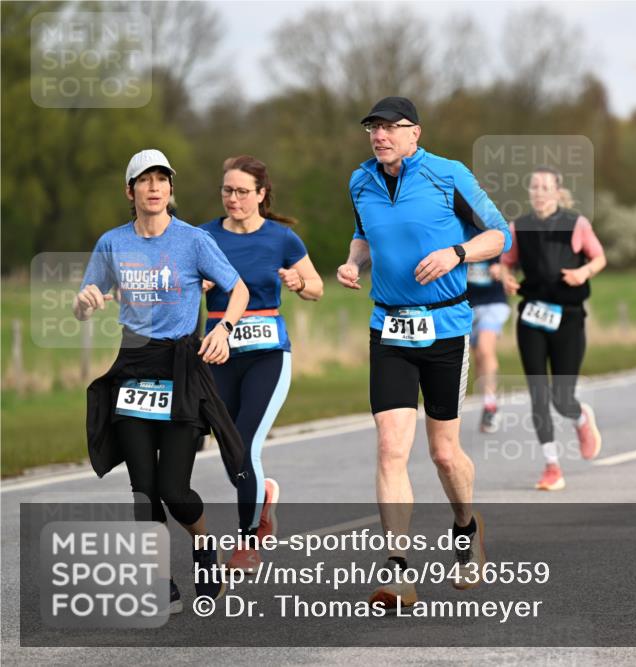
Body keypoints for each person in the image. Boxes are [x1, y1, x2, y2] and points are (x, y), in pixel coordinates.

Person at [337, 97, 511, 607]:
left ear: (416, 133)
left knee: (442, 453)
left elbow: (499, 234)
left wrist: (456, 251)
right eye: (373, 127)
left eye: (392, 127)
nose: (380, 135)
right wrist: (353, 263)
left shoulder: (447, 174)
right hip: (388, 326)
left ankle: (466, 527)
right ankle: (396, 571)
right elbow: (364, 234)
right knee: (391, 447)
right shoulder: (360, 180)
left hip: (445, 329)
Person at [76, 149, 249, 614]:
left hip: (181, 369)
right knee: (142, 488)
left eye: (162, 180)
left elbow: (239, 288)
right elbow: (84, 301)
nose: (154, 188)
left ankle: (204, 548)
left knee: (174, 490)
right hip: (132, 369)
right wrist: (86, 303)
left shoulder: (192, 241)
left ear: (171, 190)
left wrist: (225, 328)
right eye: (144, 180)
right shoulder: (112, 243)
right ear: (129, 191)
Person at [201, 155, 324, 572]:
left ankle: (246, 541)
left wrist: (298, 282)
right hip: (217, 353)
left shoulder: (282, 239)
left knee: (246, 442)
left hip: (268, 353)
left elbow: (316, 289)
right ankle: (264, 496)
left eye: (240, 191)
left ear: (261, 194)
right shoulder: (203, 236)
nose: (232, 198)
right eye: (226, 190)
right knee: (229, 448)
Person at [501, 167, 606, 491]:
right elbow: (505, 261)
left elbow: (599, 257)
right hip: (532, 316)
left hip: (569, 316)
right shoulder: (519, 227)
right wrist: (503, 277)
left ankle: (579, 417)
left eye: (546, 186)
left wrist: (583, 273)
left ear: (558, 191)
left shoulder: (576, 224)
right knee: (537, 393)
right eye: (535, 186)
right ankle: (551, 466)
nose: (540, 191)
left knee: (562, 397)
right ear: (529, 191)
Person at [467, 256, 511, 433]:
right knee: (477, 357)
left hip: (494, 303)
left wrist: (503, 270)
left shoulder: (495, 235)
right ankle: (488, 401)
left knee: (486, 349)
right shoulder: (457, 235)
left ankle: (491, 406)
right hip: (467, 305)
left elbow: (512, 263)